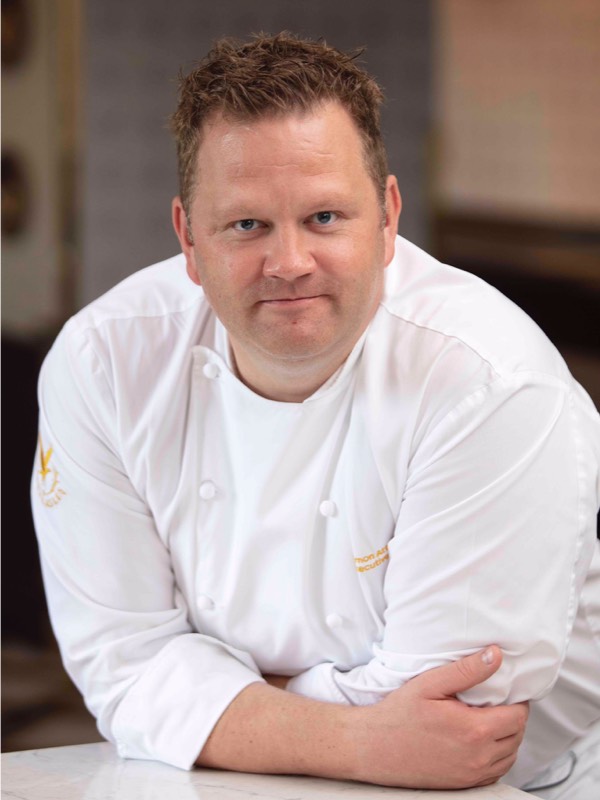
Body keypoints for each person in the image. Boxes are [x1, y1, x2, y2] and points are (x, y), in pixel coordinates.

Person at [32, 33, 600, 795]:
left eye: (326, 216)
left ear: (390, 218)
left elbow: (458, 720)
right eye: (247, 226)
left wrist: (202, 698)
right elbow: (119, 664)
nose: (290, 262)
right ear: (187, 240)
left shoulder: (486, 382)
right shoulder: (103, 365)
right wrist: (361, 737)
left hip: (535, 785)